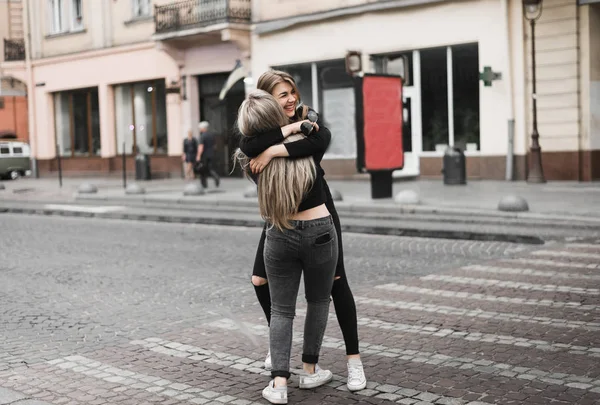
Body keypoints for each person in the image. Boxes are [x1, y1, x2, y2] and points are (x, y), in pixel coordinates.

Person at [239, 70, 366, 392]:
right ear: (268, 100)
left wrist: (274, 150)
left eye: (291, 91)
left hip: (318, 207)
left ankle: (354, 361)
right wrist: (283, 134)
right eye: (282, 95)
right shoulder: (264, 131)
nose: (291, 98)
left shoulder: (309, 120)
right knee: (259, 280)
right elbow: (247, 144)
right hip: (280, 214)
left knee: (337, 284)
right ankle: (281, 347)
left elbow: (320, 140)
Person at [235, 90, 336, 404]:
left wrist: (274, 142)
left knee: (281, 311)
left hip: (279, 233)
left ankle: (278, 384)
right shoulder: (308, 145)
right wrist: (295, 127)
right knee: (318, 301)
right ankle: (310, 371)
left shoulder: (249, 159)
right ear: (278, 118)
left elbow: (246, 143)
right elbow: (323, 135)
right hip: (320, 229)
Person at [196, 121, 220, 188]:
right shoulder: (211, 135)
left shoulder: (202, 136)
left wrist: (198, 156)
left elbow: (201, 147)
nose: (199, 129)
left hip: (204, 156)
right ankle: (215, 176)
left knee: (202, 170)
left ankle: (204, 185)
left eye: (200, 128)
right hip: (211, 154)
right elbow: (215, 146)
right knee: (210, 168)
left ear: (203, 128)